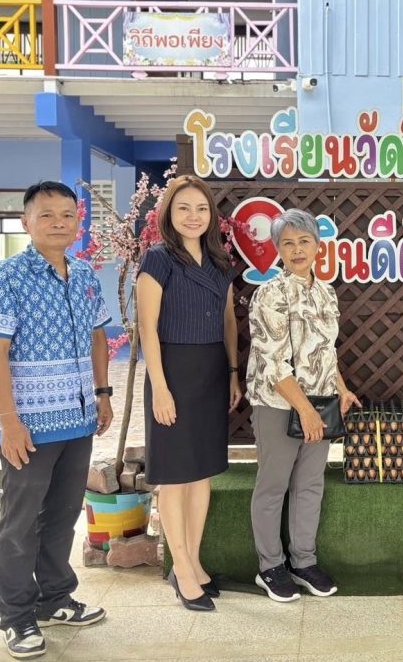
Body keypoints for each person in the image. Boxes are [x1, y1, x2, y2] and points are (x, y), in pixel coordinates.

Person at [0, 181, 113, 660]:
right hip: (29, 426)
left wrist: (102, 394)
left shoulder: (85, 274)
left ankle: (55, 599)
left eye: (67, 215)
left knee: (62, 517)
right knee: (20, 524)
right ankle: (16, 616)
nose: (59, 223)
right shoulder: (5, 277)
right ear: (26, 222)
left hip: (79, 421)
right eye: (47, 215)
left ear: (78, 222)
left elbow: (98, 338)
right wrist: (9, 422)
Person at [136, 175, 242, 612]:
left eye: (201, 208)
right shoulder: (157, 259)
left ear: (211, 215)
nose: (193, 216)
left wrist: (232, 373)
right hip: (173, 374)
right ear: (168, 214)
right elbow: (147, 328)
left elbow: (229, 321)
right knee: (175, 477)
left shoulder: (220, 262)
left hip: (211, 374)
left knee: (201, 475)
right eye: (183, 208)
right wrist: (160, 388)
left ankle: (193, 562)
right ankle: (180, 568)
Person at [247, 208, 361, 602]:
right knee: (273, 485)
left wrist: (341, 389)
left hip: (321, 403)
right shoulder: (269, 294)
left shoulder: (326, 292)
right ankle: (270, 567)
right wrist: (306, 411)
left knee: (310, 484)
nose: (297, 249)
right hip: (278, 404)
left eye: (304, 241)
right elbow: (274, 363)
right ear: (278, 250)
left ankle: (303, 562)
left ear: (317, 246)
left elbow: (326, 351)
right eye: (288, 243)